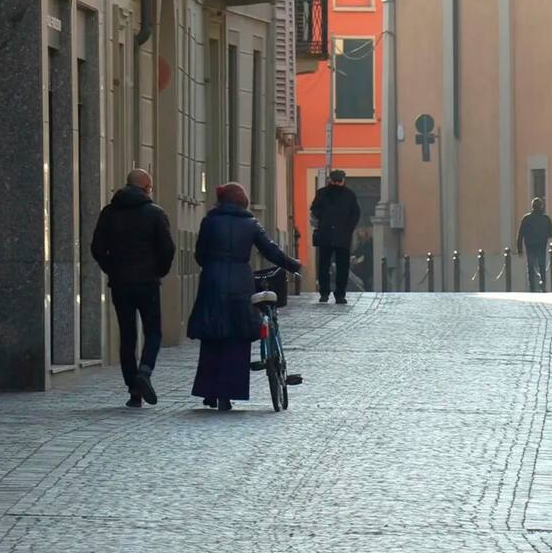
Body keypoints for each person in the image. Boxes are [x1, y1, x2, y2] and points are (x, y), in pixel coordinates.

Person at [188, 182, 301, 411]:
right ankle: (229, 392)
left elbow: (200, 255)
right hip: (240, 281)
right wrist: (292, 265)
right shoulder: (250, 224)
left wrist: (212, 264)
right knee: (238, 336)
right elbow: (270, 249)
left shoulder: (209, 222)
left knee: (212, 335)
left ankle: (209, 390)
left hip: (212, 280)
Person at [91, 169, 175, 408]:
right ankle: (145, 372)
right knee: (153, 332)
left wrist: (112, 268)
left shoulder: (109, 213)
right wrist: (159, 270)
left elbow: (97, 248)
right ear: (147, 188)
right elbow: (167, 249)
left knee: (127, 336)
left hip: (120, 283)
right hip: (148, 282)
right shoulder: (155, 213)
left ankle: (133, 391)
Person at [310, 170, 360, 304]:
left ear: (329, 180)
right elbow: (356, 214)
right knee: (342, 266)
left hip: (326, 234)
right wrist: (348, 228)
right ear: (343, 180)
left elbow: (314, 209)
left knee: (324, 265)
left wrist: (323, 220)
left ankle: (325, 293)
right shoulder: (349, 194)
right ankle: (340, 295)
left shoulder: (322, 193)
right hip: (342, 236)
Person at [517, 197, 552, 293]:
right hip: (541, 245)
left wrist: (519, 249)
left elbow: (520, 235)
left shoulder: (526, 218)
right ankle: (543, 284)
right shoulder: (546, 219)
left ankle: (532, 286)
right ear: (541, 207)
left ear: (532, 207)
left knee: (530, 266)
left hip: (530, 246)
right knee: (542, 266)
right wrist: (545, 235)